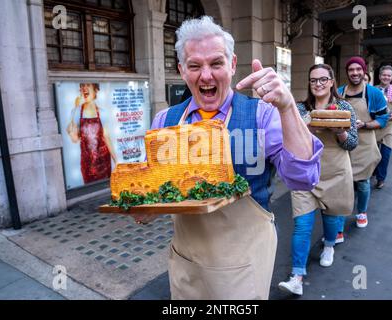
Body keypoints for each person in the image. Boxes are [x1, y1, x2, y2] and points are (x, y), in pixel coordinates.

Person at [134, 16, 323, 300]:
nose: (206, 76)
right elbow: (156, 198)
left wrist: (286, 107)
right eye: (195, 65)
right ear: (182, 71)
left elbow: (303, 179)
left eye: (216, 63)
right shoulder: (165, 121)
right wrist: (141, 208)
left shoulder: (262, 114)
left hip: (245, 261)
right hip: (187, 260)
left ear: (233, 65)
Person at [278, 64, 357, 296]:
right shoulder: (301, 108)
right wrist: (305, 124)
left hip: (335, 172)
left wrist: (339, 129)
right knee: (302, 225)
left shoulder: (344, 107)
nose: (319, 84)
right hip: (306, 173)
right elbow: (288, 137)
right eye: (314, 80)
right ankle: (297, 276)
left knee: (332, 219)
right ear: (309, 84)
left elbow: (352, 143)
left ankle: (330, 245)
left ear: (332, 81)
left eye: (323, 79)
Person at [337, 57, 389, 229]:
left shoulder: (373, 93)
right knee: (343, 183)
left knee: (363, 182)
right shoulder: (339, 92)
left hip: (364, 145)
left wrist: (365, 124)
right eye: (351, 70)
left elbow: (383, 119)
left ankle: (362, 211)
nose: (355, 73)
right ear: (347, 72)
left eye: (358, 69)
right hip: (343, 145)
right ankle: (340, 216)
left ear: (364, 71)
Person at [66, 83, 117, 184]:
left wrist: (116, 160)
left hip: (104, 162)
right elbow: (74, 139)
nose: (84, 88)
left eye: (88, 85)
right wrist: (76, 108)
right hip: (87, 164)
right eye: (82, 86)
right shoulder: (76, 112)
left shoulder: (102, 112)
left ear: (95, 90)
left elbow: (106, 136)